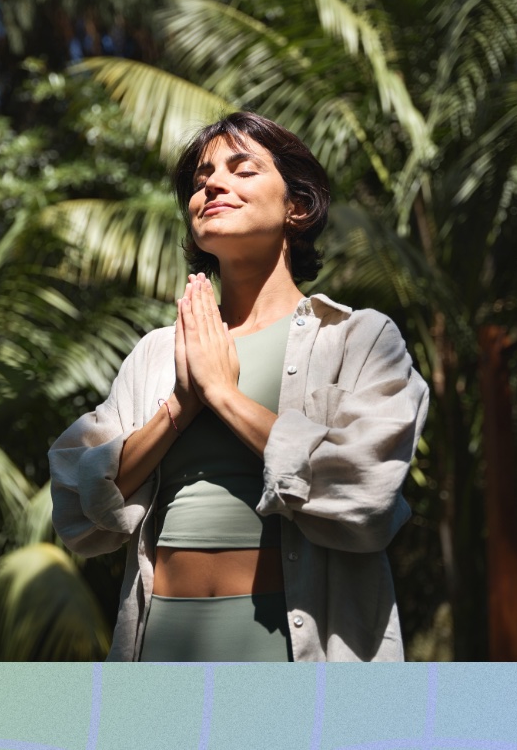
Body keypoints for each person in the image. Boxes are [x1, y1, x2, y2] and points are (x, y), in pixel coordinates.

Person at [48, 111, 430, 662]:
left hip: (289, 644)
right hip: (161, 640)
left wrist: (224, 395)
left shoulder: (358, 338)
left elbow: (367, 488)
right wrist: (181, 404)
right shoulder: (161, 351)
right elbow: (77, 506)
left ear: (296, 207)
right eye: (201, 179)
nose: (212, 185)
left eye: (241, 169)